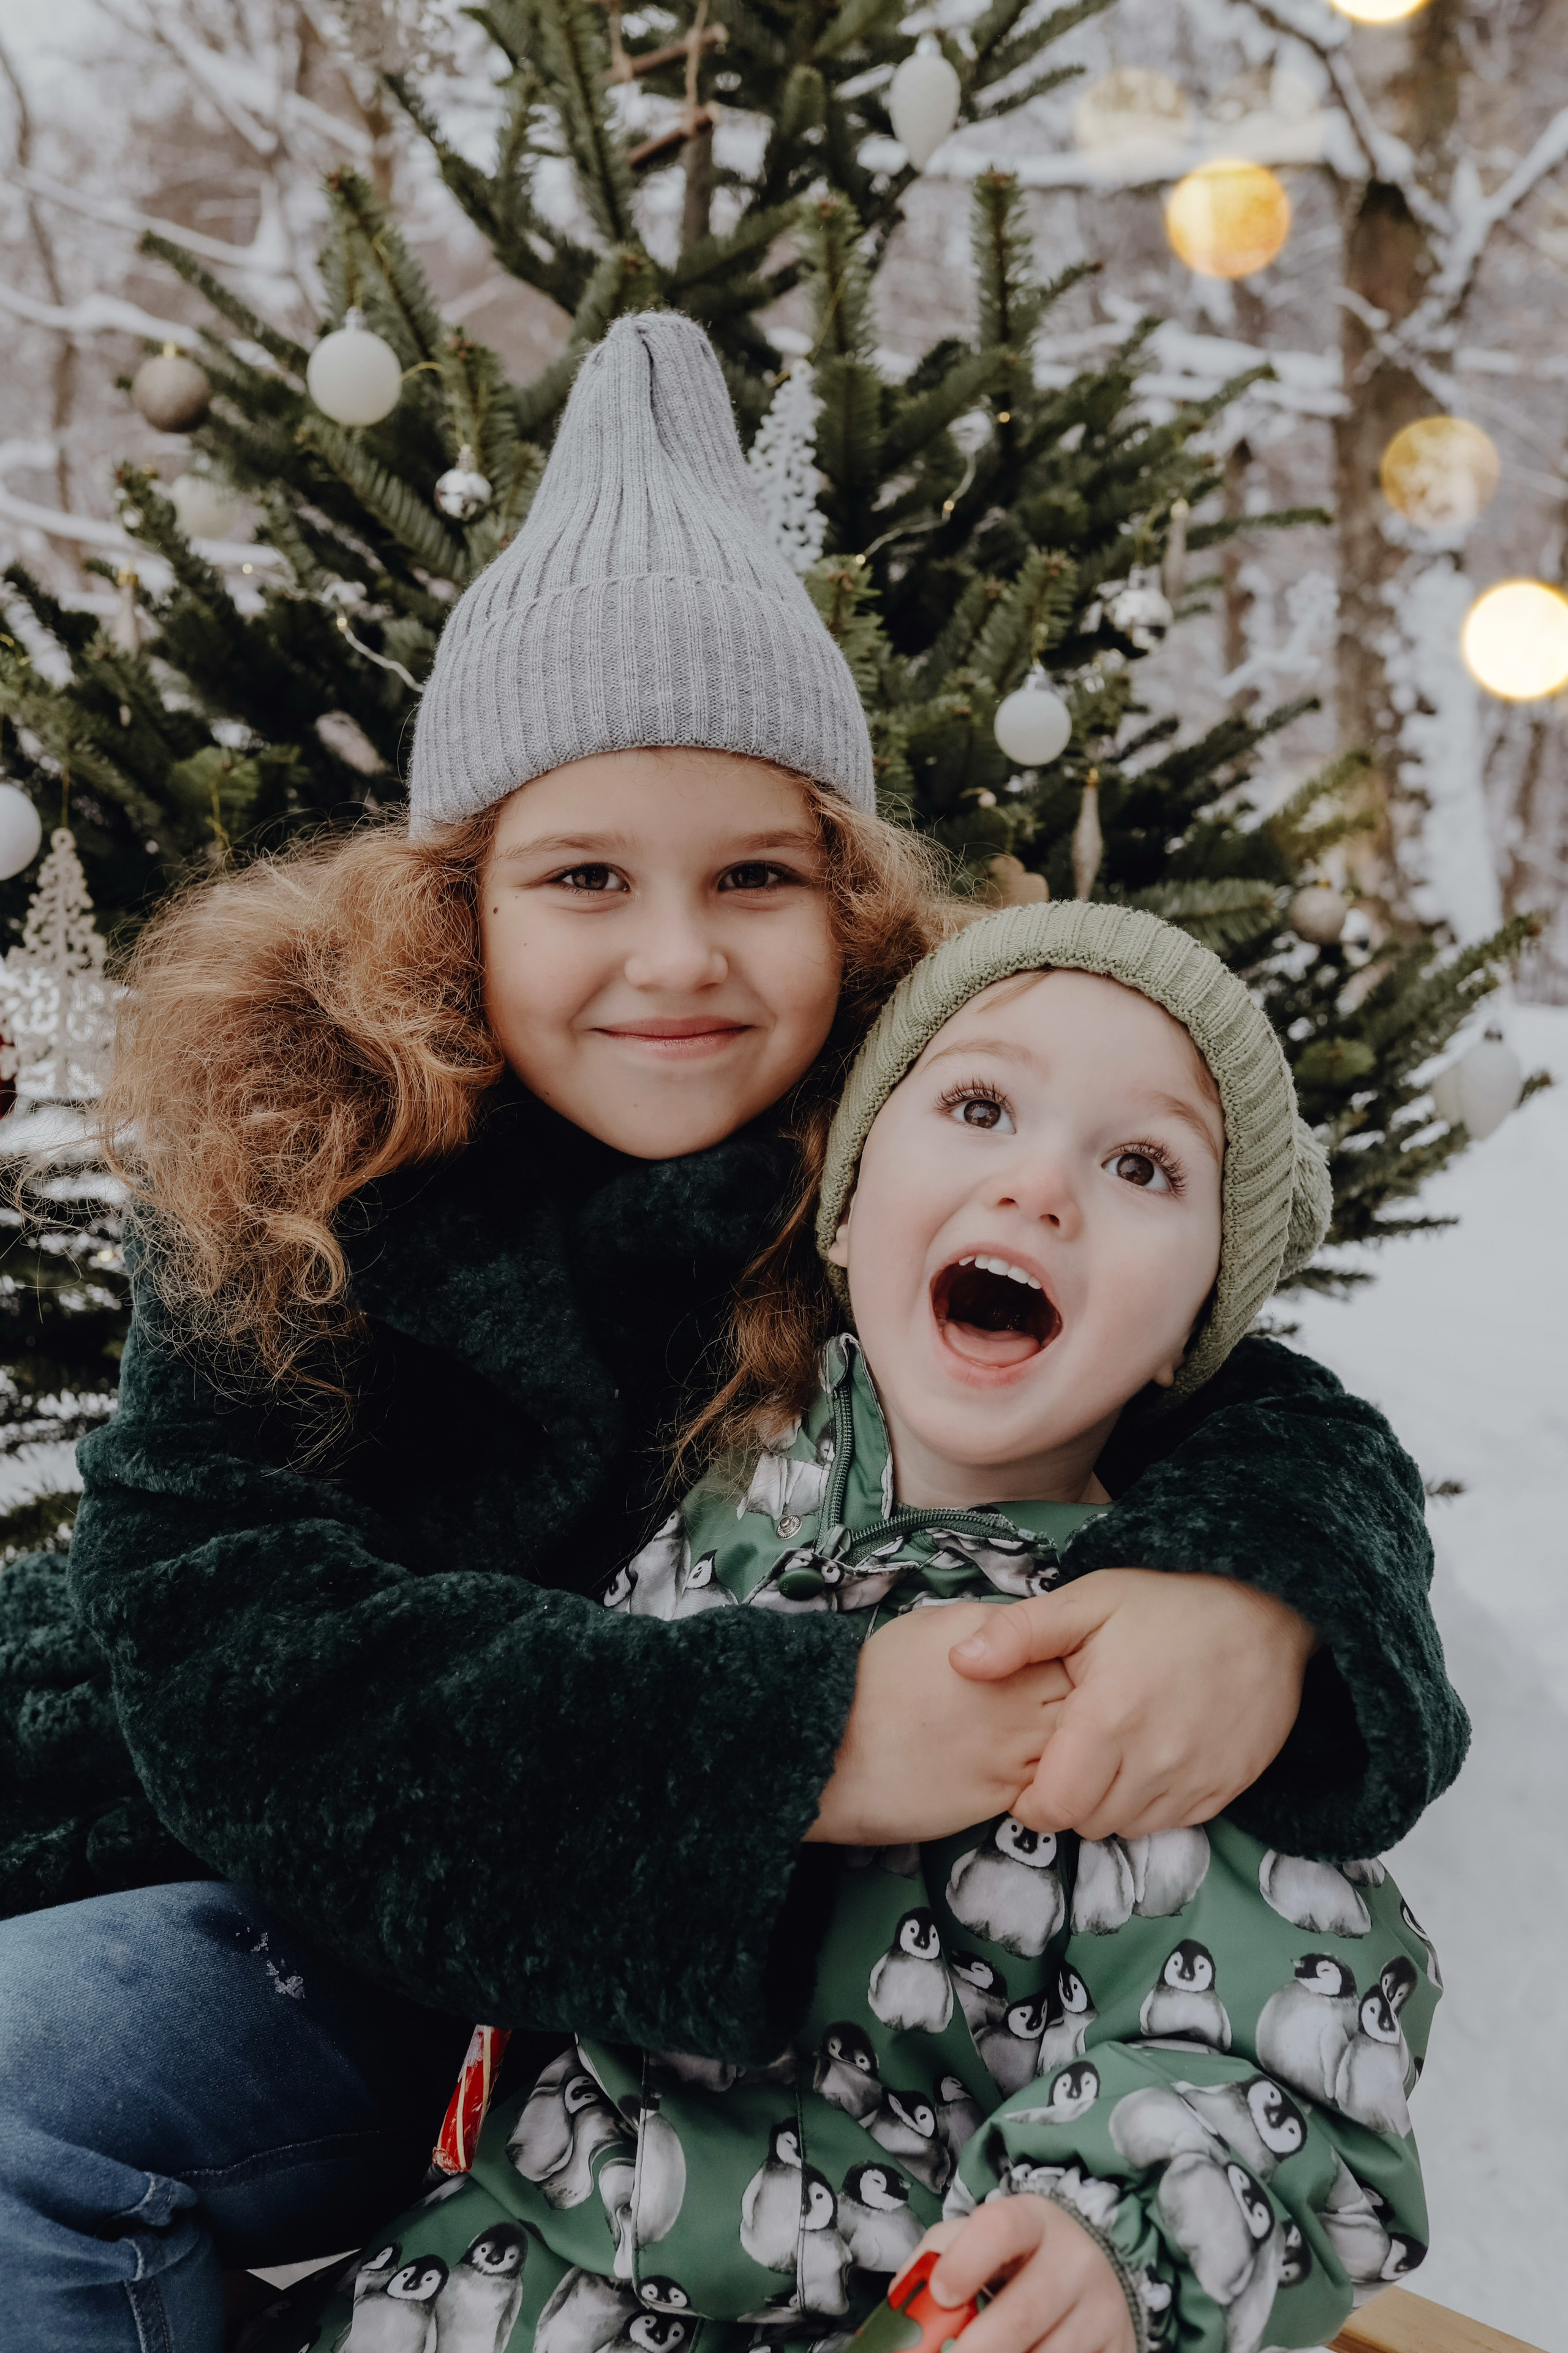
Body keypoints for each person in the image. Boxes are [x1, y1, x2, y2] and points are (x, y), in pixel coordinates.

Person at [0, 318, 1459, 2353]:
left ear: (847, 903)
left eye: (754, 876)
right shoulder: (300, 1162)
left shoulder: (923, 1128)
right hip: (306, 1853)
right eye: (585, 875)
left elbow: (1243, 1384)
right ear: (462, 907)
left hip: (641, 2042)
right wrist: (799, 1741)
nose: (676, 958)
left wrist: (1267, 1596)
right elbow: (219, 1634)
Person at [275, 902, 1438, 2353]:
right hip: (482, 2275)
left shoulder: (1146, 1657)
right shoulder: (706, 1467)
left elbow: (1296, 2030)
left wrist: (1107, 2235)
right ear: (852, 1188)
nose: (1038, 1186)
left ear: (1202, 1311)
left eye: (1140, 1164)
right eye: (977, 1104)